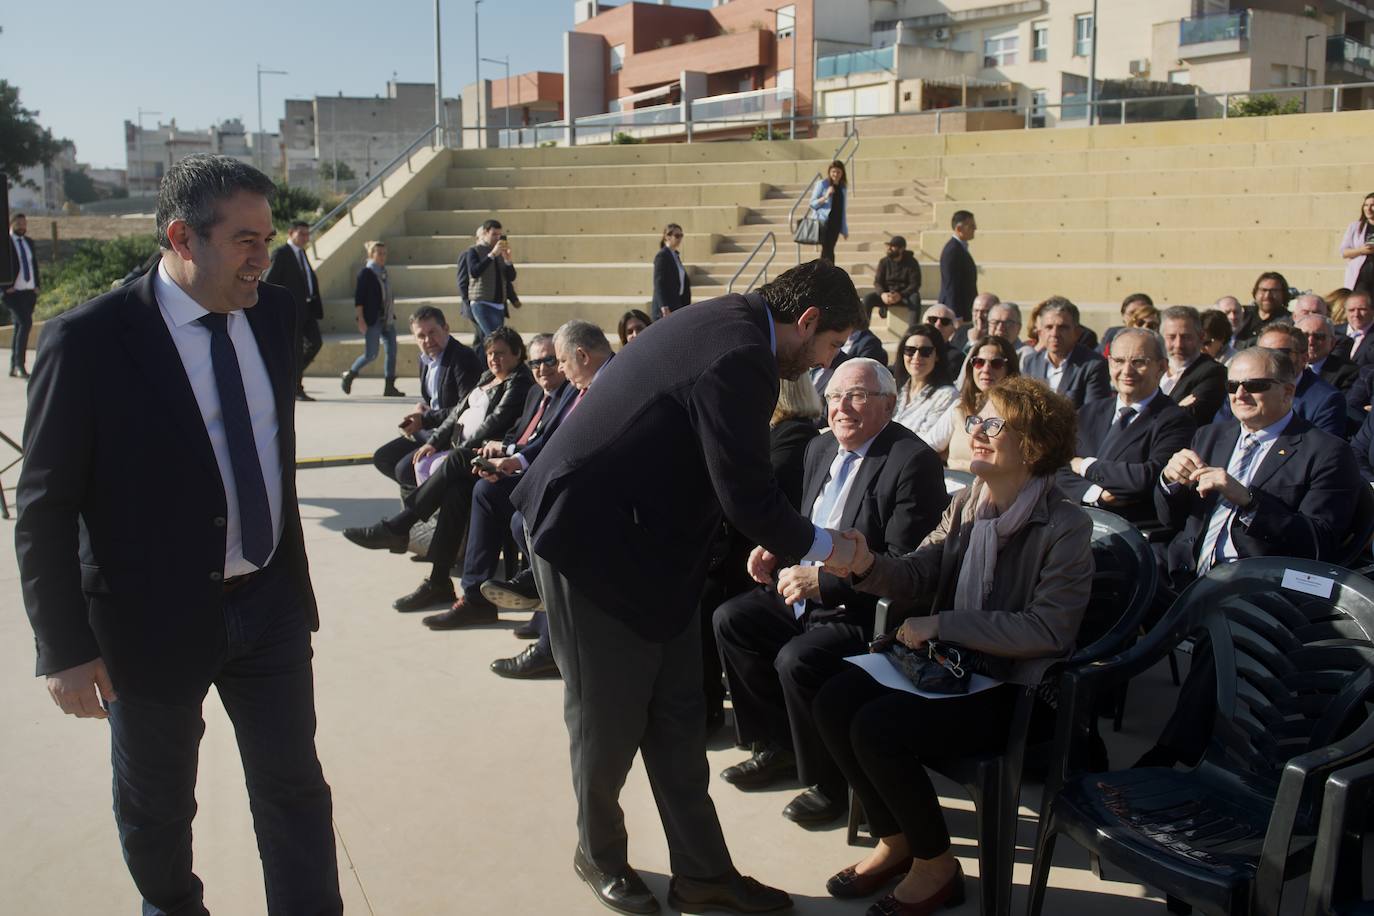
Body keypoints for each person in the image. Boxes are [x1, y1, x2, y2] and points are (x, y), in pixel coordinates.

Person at [15, 154, 341, 913]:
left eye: (269, 238)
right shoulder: (87, 341)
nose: (265, 258)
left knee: (295, 792)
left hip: (269, 608)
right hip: (146, 626)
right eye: (245, 240)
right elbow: (44, 505)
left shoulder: (275, 313)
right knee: (158, 817)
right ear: (181, 238)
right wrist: (64, 646)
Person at [508, 260, 866, 916]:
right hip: (588, 543)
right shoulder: (744, 353)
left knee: (677, 713)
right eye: (831, 346)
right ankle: (600, 852)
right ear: (808, 320)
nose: (824, 363)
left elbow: (723, 475)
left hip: (656, 549)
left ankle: (702, 873)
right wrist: (832, 548)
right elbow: (750, 496)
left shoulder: (734, 324)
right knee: (607, 719)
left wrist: (768, 526)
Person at [809, 376, 1091, 914]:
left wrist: (947, 624)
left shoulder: (1064, 526)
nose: (977, 431)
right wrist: (865, 564)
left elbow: (1049, 631)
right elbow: (917, 572)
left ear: (1031, 443)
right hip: (949, 668)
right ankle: (897, 840)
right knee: (832, 697)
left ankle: (936, 864)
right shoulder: (967, 503)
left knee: (876, 727)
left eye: (994, 423)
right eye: (976, 420)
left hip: (1010, 690)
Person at [713, 358, 947, 827]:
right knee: (732, 620)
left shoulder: (911, 462)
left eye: (858, 395)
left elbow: (905, 564)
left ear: (889, 403)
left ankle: (831, 782)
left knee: (798, 659)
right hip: (805, 589)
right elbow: (807, 522)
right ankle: (779, 746)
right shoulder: (820, 448)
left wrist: (826, 581)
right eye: (835, 396)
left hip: (865, 607)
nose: (843, 407)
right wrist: (774, 546)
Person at [1141, 346, 1362, 770]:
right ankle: (1067, 732)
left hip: (1259, 589)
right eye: (1232, 385)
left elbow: (1320, 543)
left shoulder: (1325, 451)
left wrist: (1247, 499)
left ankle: (1172, 757)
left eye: (1254, 385)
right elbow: (1170, 517)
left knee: (1226, 618)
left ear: (1288, 390)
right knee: (1100, 576)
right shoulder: (1212, 435)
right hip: (1183, 574)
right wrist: (1169, 482)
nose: (1240, 393)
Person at [426, 321, 614, 633]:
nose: (556, 370)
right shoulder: (573, 387)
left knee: (518, 516)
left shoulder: (594, 386)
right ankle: (474, 597)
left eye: (558, 361)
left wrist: (519, 461)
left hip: (588, 488)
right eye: (536, 362)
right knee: (477, 490)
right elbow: (554, 441)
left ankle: (548, 617)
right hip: (552, 473)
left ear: (580, 355)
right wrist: (514, 460)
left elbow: (569, 444)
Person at [341, 326, 534, 573]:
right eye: (490, 354)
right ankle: (437, 578)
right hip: (461, 448)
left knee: (450, 468)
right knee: (446, 485)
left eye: (501, 353)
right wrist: (433, 442)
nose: (494, 359)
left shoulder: (518, 381)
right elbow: (456, 414)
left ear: (517, 354)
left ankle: (400, 526)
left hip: (486, 452)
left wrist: (458, 452)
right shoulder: (487, 377)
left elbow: (492, 423)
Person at [1057, 328, 1196, 524]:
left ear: (1162, 367)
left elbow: (1147, 478)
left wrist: (1084, 465)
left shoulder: (1175, 420)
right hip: (1077, 525)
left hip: (1133, 536)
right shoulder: (1088, 412)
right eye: (1119, 361)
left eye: (1139, 362)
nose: (1127, 371)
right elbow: (1056, 467)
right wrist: (1095, 494)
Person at [369, 307, 484, 495]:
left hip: (452, 434)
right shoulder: (425, 359)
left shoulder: (462, 358)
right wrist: (422, 409)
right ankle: (426, 500)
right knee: (383, 458)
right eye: (421, 336)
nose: (428, 340)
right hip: (430, 429)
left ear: (446, 329)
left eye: (433, 333)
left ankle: (427, 505)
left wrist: (426, 418)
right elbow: (434, 398)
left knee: (404, 469)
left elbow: (467, 408)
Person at [1214, 324, 1346, 437]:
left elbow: (1319, 452)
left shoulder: (1325, 400)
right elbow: (1220, 436)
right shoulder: (1240, 389)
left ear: (1304, 358)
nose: (1270, 359)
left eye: (1281, 353)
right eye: (1263, 352)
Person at [922, 335, 1020, 469]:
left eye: (996, 363)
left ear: (1009, 369)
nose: (986, 370)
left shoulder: (1018, 412)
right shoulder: (959, 407)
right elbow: (927, 446)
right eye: (979, 362)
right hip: (953, 483)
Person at [263, 220, 323, 400]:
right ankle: (295, 386)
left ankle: (289, 376)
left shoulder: (302, 253)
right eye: (302, 234)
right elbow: (269, 280)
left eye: (307, 234)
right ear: (291, 233)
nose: (306, 237)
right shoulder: (281, 254)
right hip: (290, 310)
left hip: (307, 309)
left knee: (315, 342)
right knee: (296, 350)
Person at [1021, 297, 1111, 408]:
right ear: (1040, 333)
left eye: (1062, 327)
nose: (1054, 333)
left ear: (1077, 333)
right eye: (1049, 327)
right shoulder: (1030, 362)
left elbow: (1093, 414)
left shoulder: (1094, 365)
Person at [341, 240, 404, 397]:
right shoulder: (366, 273)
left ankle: (389, 386)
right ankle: (350, 374)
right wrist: (360, 319)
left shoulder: (384, 272)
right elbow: (359, 299)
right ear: (371, 254)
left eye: (384, 253)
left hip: (387, 318)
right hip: (372, 319)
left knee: (392, 352)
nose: (382, 256)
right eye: (379, 253)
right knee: (371, 354)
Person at [1159, 305, 1228, 428]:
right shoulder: (1154, 369)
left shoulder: (1212, 372)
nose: (1178, 344)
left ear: (1201, 337)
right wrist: (1177, 408)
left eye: (1186, 337)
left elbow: (1190, 418)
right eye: (1171, 337)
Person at [891, 325, 959, 440]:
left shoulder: (947, 396)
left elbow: (928, 440)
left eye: (925, 351)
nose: (916, 357)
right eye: (910, 350)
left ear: (937, 356)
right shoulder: (893, 389)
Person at [463, 219, 517, 340]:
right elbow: (474, 272)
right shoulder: (474, 250)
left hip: (499, 306)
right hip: (481, 303)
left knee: (492, 341)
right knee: (494, 339)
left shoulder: (500, 252)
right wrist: (492, 255)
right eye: (494, 234)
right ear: (486, 233)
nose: (497, 238)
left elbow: (511, 277)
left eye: (499, 235)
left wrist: (508, 260)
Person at [4, 212, 39, 378]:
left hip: (28, 292)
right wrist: (4, 287)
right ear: (12, 224)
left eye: (24, 223)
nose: (22, 226)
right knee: (25, 324)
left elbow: (33, 265)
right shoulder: (5, 243)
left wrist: (36, 286)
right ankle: (20, 365)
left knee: (20, 326)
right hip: (13, 293)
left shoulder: (28, 242)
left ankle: (13, 365)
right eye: (19, 223)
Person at [863, 235, 921, 324]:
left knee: (915, 299)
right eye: (889, 246)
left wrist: (901, 295)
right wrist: (882, 294)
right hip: (887, 296)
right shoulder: (884, 262)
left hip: (904, 296)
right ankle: (861, 332)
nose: (889, 248)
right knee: (868, 298)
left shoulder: (912, 262)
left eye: (893, 246)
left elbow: (915, 284)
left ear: (901, 249)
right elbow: (878, 282)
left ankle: (912, 333)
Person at [1299, 314, 1360, 392]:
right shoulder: (1285, 366)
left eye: (1319, 336)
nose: (1311, 342)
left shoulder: (1349, 372)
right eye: (1304, 335)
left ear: (1332, 342)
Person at [937, 210, 978, 321]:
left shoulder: (960, 249)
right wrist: (955, 315)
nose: (975, 228)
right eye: (971, 226)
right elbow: (951, 285)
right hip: (956, 312)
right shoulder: (952, 251)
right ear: (959, 229)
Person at [810, 160, 849, 265]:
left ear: (842, 173)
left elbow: (842, 210)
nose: (836, 174)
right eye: (833, 172)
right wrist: (825, 196)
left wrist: (844, 229)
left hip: (836, 224)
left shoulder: (843, 188)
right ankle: (828, 272)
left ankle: (824, 272)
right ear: (829, 172)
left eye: (838, 172)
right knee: (828, 249)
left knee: (829, 249)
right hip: (824, 222)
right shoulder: (822, 184)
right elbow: (812, 204)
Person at [1239, 271, 1292, 346]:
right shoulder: (1242, 314)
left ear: (1283, 294)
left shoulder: (1289, 321)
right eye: (1263, 290)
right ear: (1256, 292)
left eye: (1274, 291)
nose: (1267, 296)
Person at [1338, 191, 1374, 295]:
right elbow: (1344, 252)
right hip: (1361, 278)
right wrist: (1362, 250)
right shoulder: (1355, 227)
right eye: (1366, 205)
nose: (1368, 209)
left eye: (1372, 205)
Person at [652, 223, 691, 319]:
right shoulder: (662, 256)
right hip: (666, 309)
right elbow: (659, 282)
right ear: (667, 237)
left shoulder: (675, 256)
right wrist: (664, 306)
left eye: (681, 236)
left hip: (676, 305)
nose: (680, 239)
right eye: (677, 236)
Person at [1097, 292, 1154, 357]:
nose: (1136, 316)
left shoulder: (1160, 337)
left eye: (1143, 312)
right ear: (1123, 316)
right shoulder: (1112, 334)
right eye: (1132, 313)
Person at [1334, 290, 1374, 367]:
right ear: (1345, 312)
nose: (1356, 314)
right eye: (1351, 310)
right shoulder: (1334, 332)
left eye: (1362, 309)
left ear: (1372, 311)